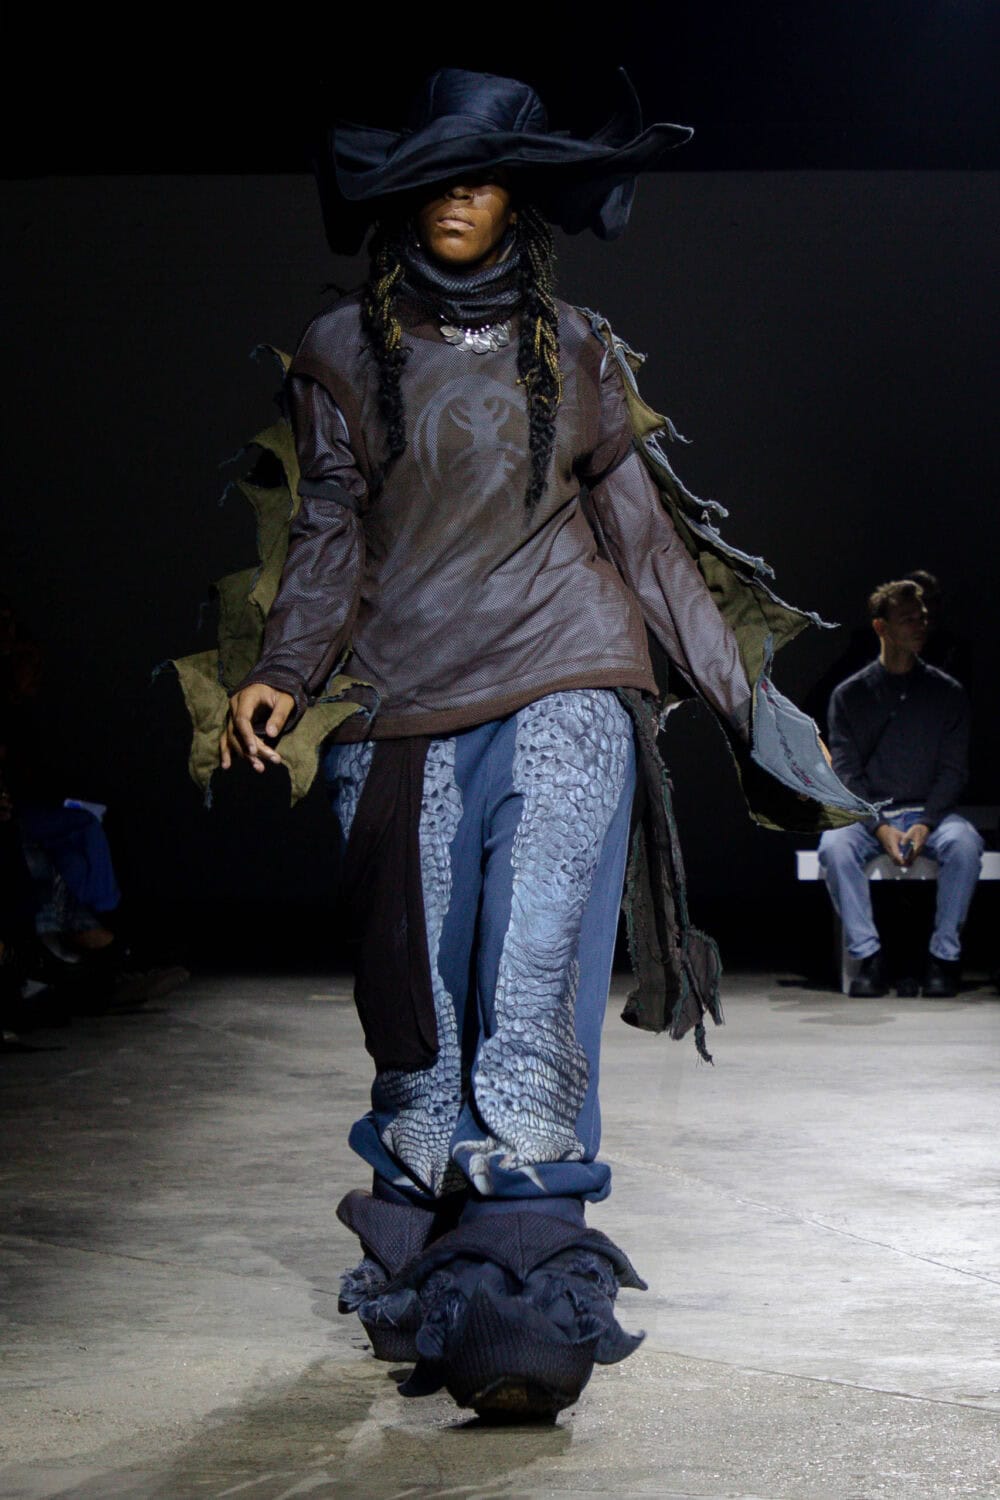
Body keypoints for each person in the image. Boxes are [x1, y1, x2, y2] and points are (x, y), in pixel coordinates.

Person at [210, 68, 869, 1420]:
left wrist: (747, 710)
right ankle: (434, 1280)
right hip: (400, 701)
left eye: (484, 175)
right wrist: (280, 673)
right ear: (402, 195)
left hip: (569, 676)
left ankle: (523, 1306)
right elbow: (328, 531)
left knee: (531, 983)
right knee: (420, 1008)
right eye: (435, 175)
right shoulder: (339, 351)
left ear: (520, 198)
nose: (458, 196)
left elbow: (646, 545)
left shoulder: (578, 348)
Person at [818, 579, 983, 999]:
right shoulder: (850, 696)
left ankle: (943, 957)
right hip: (872, 816)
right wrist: (878, 826)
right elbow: (847, 774)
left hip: (929, 814)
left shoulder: (947, 693)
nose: (919, 626)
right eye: (907, 619)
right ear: (882, 627)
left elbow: (953, 771)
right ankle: (869, 957)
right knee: (835, 846)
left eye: (922, 618)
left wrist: (926, 823)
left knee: (965, 844)